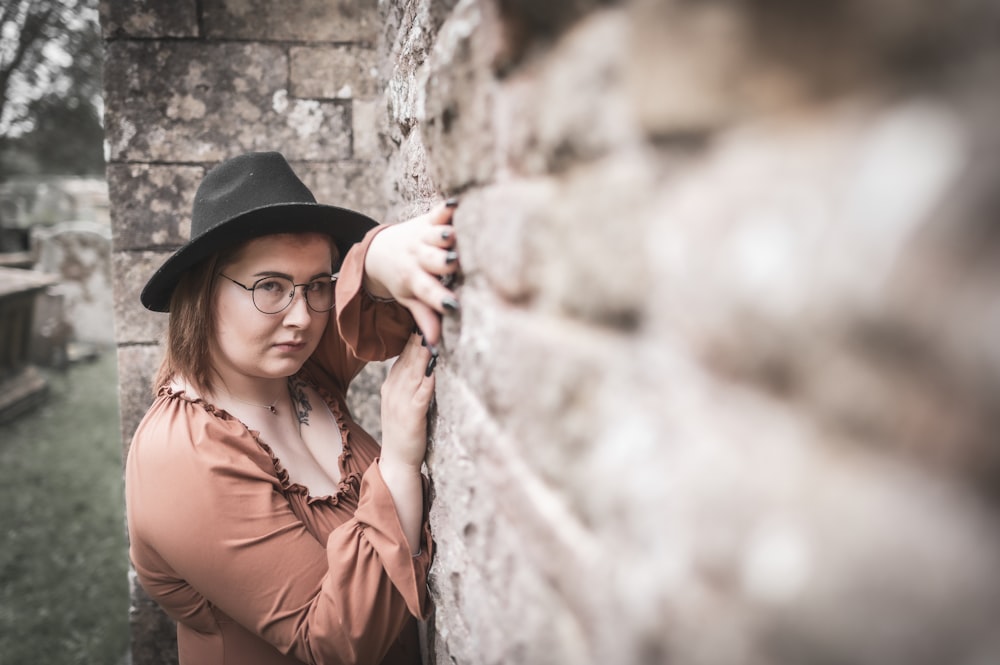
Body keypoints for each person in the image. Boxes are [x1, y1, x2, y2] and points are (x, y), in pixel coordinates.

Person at [124, 151, 460, 664]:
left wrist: (374, 256)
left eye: (317, 285)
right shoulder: (180, 454)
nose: (302, 317)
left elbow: (376, 310)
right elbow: (331, 641)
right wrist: (398, 463)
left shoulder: (296, 372)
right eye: (270, 287)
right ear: (202, 291)